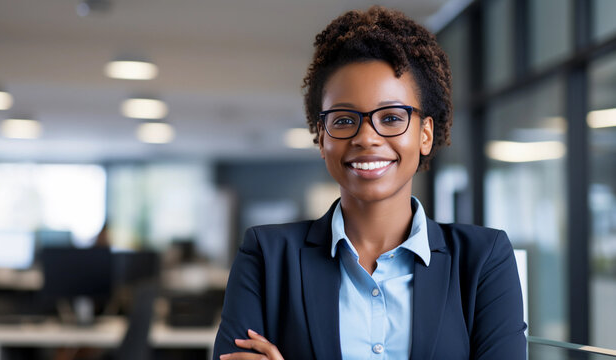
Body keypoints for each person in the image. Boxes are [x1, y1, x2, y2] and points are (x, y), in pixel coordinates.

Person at [214, 6, 526, 360]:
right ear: (321, 137)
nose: (366, 137)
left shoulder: (484, 260)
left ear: (425, 134)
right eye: (344, 119)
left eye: (391, 117)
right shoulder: (267, 257)